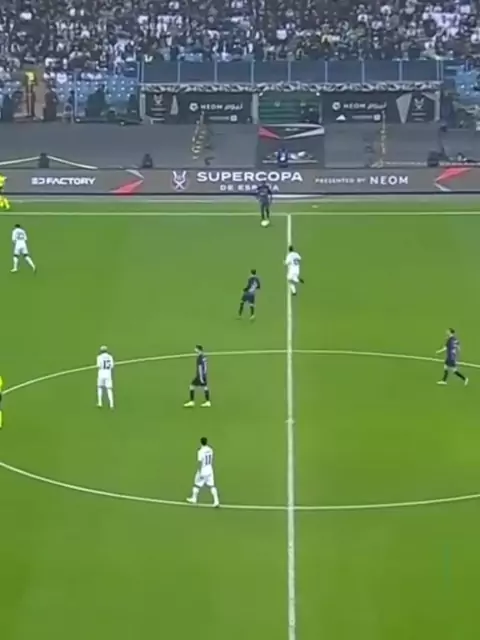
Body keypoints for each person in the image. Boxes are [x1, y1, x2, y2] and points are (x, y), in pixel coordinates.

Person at [187, 437, 220, 507]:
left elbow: (200, 462)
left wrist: (199, 472)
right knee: (212, 485)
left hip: (203, 470)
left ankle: (194, 499)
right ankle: (216, 501)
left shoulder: (200, 451)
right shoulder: (210, 449)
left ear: (201, 442)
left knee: (196, 484)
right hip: (210, 469)